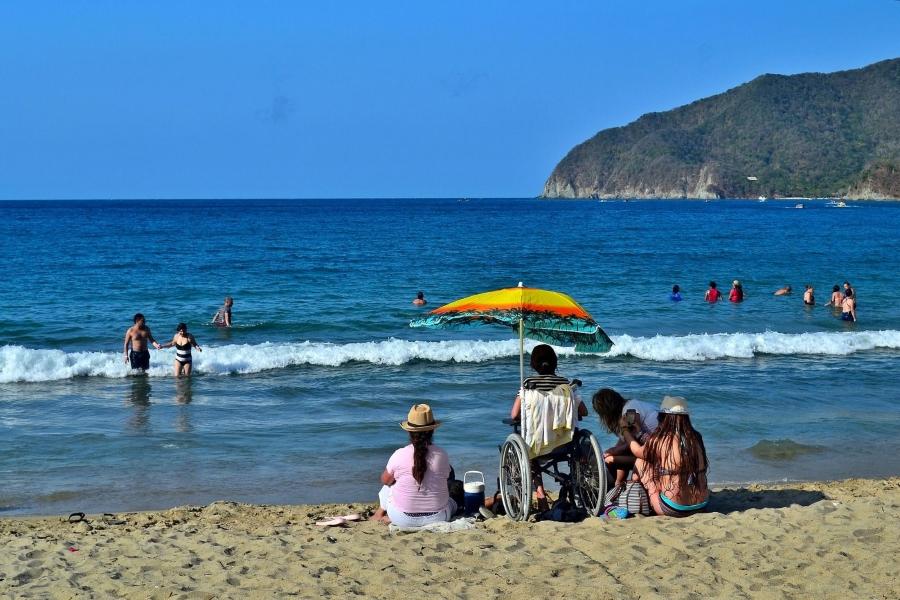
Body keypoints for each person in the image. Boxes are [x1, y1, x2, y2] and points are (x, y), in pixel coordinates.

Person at [509, 344, 588, 511]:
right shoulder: (566, 385)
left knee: (528, 447)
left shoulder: (528, 384)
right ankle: (575, 489)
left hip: (537, 446)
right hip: (565, 444)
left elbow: (514, 414)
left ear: (534, 365)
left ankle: (540, 494)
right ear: (555, 363)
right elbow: (584, 411)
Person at [621, 396, 709, 517]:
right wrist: (639, 430)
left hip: (674, 508)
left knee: (641, 462)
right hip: (702, 505)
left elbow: (637, 451)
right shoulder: (696, 437)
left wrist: (625, 430)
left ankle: (633, 497)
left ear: (664, 417)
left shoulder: (661, 439)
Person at [371, 404, 457, 527]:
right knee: (452, 490)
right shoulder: (442, 454)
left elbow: (385, 481)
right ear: (432, 430)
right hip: (438, 518)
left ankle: (379, 514)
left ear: (409, 431)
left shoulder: (399, 454)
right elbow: (447, 477)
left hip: (401, 518)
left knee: (391, 483)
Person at [592, 388, 659, 488]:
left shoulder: (630, 411)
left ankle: (613, 488)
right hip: (654, 449)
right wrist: (614, 450)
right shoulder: (631, 405)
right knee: (614, 455)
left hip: (656, 456)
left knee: (609, 460)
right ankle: (618, 485)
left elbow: (632, 440)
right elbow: (627, 439)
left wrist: (614, 451)